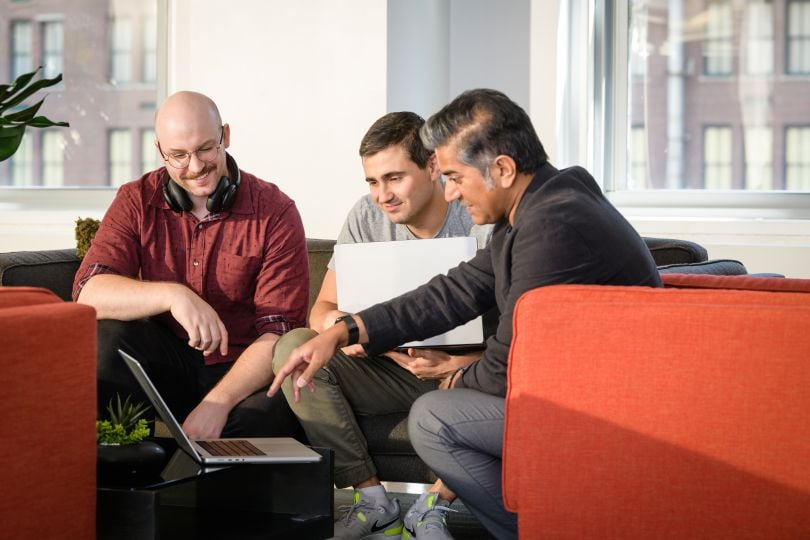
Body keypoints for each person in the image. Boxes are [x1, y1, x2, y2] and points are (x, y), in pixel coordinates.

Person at [269, 89, 663, 539]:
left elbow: (514, 358)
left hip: (601, 408)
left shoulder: (551, 226)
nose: (451, 191)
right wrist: (347, 329)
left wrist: (454, 378)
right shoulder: (538, 207)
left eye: (455, 175)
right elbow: (452, 294)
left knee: (435, 418)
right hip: (576, 393)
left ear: (502, 169)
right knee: (438, 408)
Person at [270, 111, 492, 540]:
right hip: (386, 367)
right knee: (293, 348)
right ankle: (374, 501)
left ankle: (433, 507)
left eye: (394, 178)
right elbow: (323, 310)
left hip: (467, 372)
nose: (382, 195)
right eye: (372, 182)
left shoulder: (476, 214)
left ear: (432, 166)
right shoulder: (366, 218)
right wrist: (349, 330)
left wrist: (459, 364)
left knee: (506, 374)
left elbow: (518, 332)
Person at [74, 90, 309, 440]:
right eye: (179, 156)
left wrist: (218, 402)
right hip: (167, 364)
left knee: (263, 420)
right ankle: (121, 478)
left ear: (225, 136)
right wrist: (174, 295)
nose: (196, 167)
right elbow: (88, 292)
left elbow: (278, 332)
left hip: (242, 371)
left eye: (205, 149)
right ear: (159, 152)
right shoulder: (136, 199)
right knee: (103, 338)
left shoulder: (275, 211)